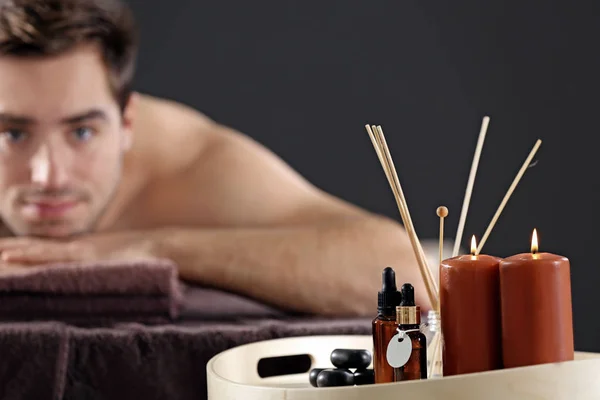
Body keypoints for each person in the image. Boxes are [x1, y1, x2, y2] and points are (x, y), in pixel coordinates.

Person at [0, 0, 427, 315]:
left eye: (82, 132)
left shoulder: (184, 165)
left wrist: (153, 247)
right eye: (13, 133)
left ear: (126, 122)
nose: (48, 176)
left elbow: (409, 274)